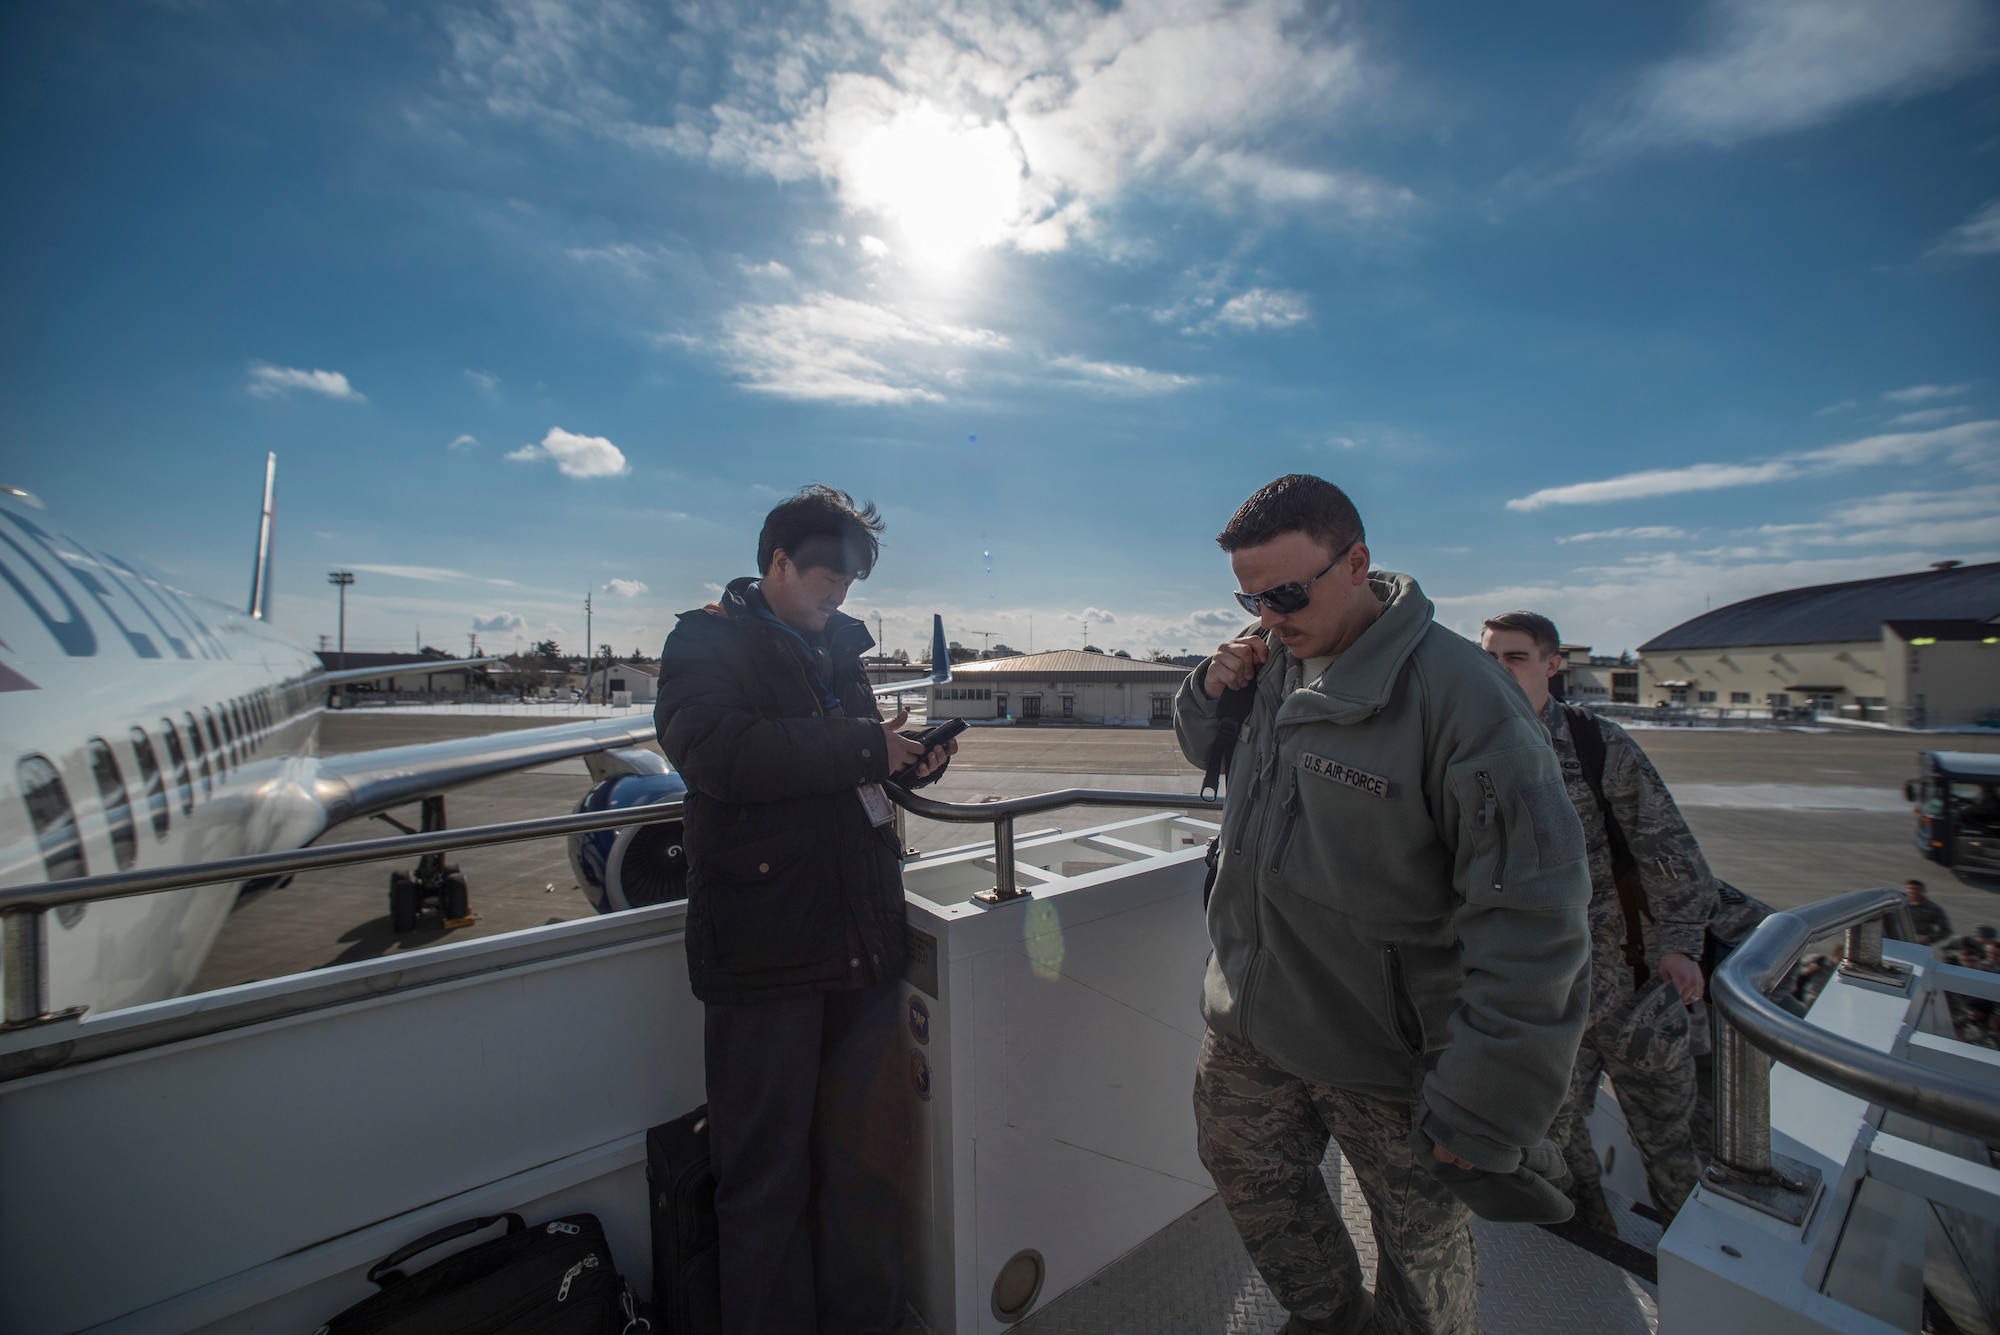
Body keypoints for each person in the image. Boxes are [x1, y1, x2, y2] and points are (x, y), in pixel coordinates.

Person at [1177, 475, 1591, 1335]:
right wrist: (1211, 688)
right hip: (1255, 1022)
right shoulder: (1271, 658)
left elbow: (1535, 914)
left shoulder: (1463, 697)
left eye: (1285, 591)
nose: (1268, 612)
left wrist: (1485, 1101)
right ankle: (1330, 1317)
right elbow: (1201, 750)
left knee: (1424, 1268)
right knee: (1247, 1175)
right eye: (1250, 595)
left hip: (1391, 1058)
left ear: (1357, 562)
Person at [654, 485, 957, 1335]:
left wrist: (905, 761)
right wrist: (866, 744)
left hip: (859, 939)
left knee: (865, 1167)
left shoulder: (837, 650)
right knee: (765, 1179)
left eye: (851, 580)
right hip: (768, 952)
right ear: (776, 562)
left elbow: (843, 766)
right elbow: (718, 754)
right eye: (827, 575)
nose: (840, 595)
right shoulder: (704, 639)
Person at [1480, 611, 1717, 1233]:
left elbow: (1670, 851)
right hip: (1543, 998)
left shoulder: (1597, 743)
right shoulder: (1474, 753)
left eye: (1516, 658)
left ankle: (1690, 1271)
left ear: (1552, 666)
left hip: (1631, 991)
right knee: (1554, 1139)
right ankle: (1592, 1243)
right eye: (1491, 658)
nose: (1500, 670)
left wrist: (1682, 945)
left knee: (1671, 1141)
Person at [1902, 878, 1952, 946]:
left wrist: (1929, 938)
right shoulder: (1896, 904)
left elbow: (1946, 930)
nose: (1912, 891)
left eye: (1915, 889)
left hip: (1918, 945)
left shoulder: (1933, 909)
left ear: (1923, 891)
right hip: (1894, 941)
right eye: (1910, 888)